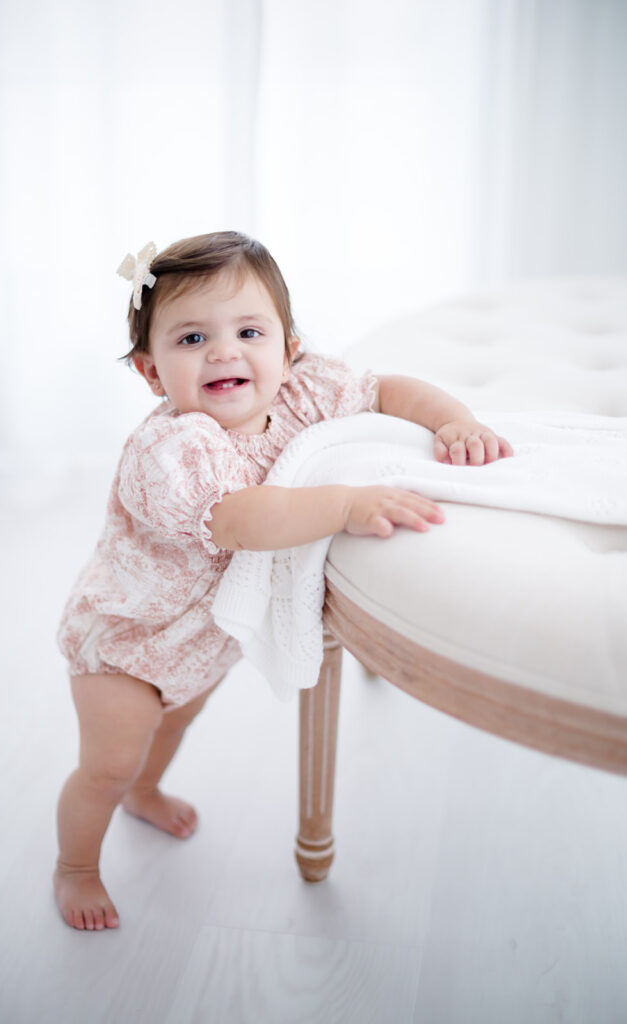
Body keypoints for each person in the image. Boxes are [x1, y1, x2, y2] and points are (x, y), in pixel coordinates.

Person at [54, 230, 513, 931]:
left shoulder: (305, 392)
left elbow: (387, 390)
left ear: (288, 348)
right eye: (190, 340)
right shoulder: (173, 446)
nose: (224, 352)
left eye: (247, 330)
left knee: (176, 720)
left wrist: (455, 422)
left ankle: (145, 791)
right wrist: (345, 506)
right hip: (125, 632)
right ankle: (77, 865)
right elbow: (242, 520)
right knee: (110, 760)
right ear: (151, 374)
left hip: (200, 639)